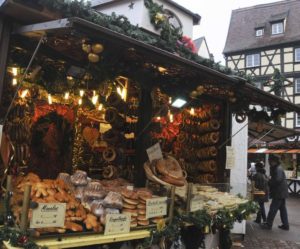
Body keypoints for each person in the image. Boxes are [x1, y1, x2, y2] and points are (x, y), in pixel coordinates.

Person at [261, 154, 289, 230]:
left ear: (274, 161)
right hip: (281, 192)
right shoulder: (276, 168)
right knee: (282, 209)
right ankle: (286, 225)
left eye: (270, 161)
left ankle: (268, 224)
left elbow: (277, 180)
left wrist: (269, 181)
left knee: (273, 208)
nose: (269, 162)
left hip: (279, 192)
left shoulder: (278, 169)